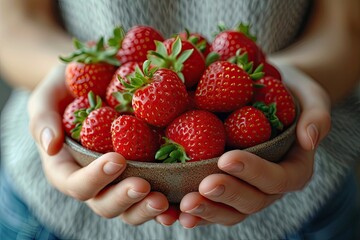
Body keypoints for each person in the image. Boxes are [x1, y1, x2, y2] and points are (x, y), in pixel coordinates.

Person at [0, 0, 359, 239]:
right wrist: (64, 74)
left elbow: (345, 29)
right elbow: (14, 25)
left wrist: (292, 76)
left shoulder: (204, 88)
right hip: (46, 212)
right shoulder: (139, 98)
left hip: (307, 211)